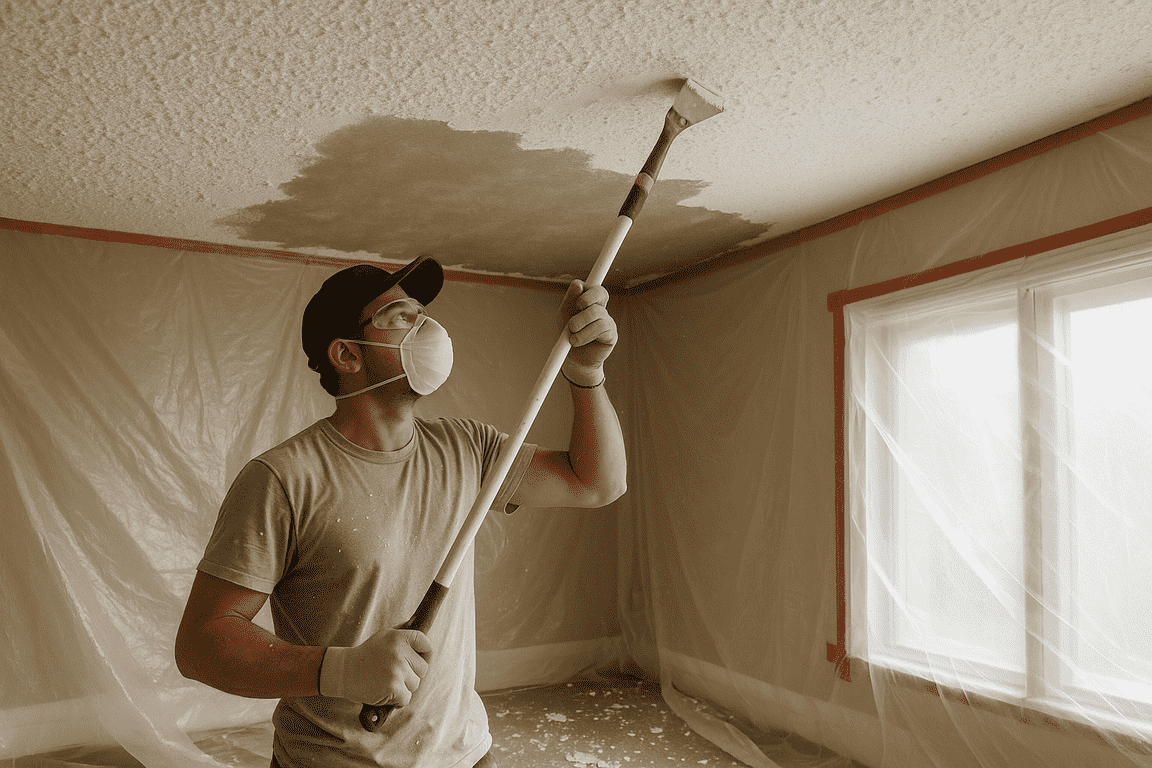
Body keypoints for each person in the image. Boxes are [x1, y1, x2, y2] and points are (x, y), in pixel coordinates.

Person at [174, 255, 627, 768]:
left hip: (464, 754)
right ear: (347, 354)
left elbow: (595, 484)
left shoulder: (466, 448)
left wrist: (587, 372)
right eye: (401, 318)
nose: (427, 328)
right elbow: (201, 644)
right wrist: (340, 671)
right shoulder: (283, 479)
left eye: (423, 314)